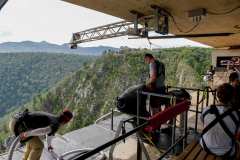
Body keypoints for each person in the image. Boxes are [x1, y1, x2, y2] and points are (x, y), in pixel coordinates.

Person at [9, 109, 73, 160]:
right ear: (65, 122)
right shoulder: (55, 124)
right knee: (39, 146)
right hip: (19, 126)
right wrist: (26, 134)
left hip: (16, 120)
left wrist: (49, 146)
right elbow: (43, 131)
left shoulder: (54, 118)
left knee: (33, 143)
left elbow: (49, 134)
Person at [200, 83, 240, 158]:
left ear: (218, 95)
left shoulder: (207, 109)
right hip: (226, 152)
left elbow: (203, 121)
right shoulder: (236, 115)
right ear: (232, 97)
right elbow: (237, 134)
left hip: (205, 145)